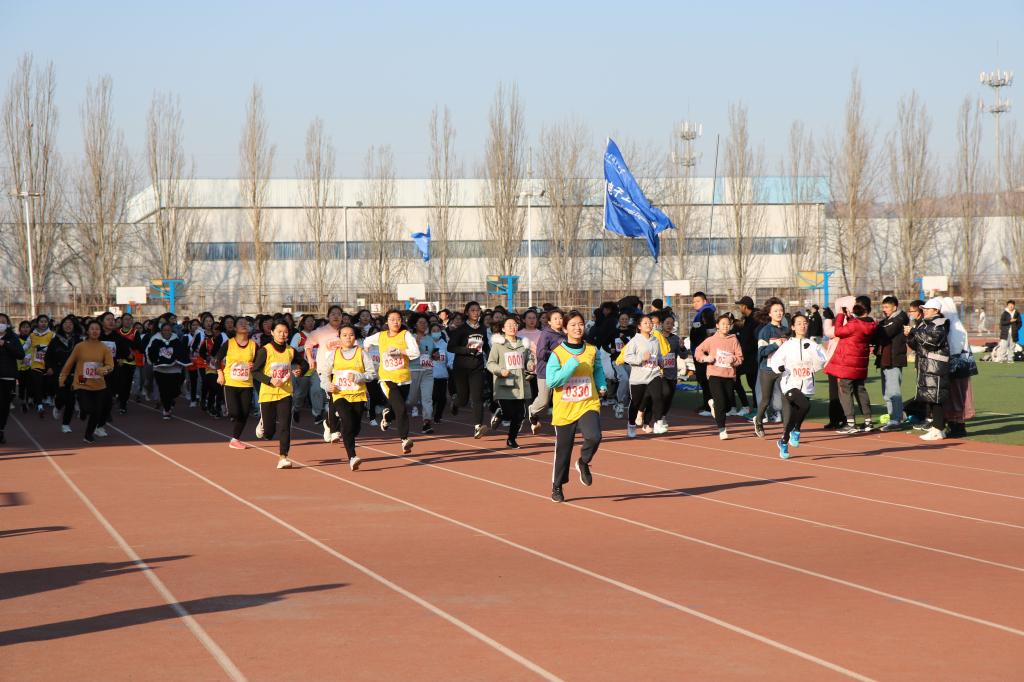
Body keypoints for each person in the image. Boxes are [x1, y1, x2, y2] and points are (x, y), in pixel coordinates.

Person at [545, 310, 607, 503]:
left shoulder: (592, 350)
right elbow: (552, 381)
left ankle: (583, 461)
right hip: (565, 407)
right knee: (563, 450)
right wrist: (570, 366)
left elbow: (598, 371)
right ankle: (557, 485)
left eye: (580, 324)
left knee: (594, 436)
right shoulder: (558, 353)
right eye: (572, 325)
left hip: (588, 402)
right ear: (565, 329)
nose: (577, 328)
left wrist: (602, 385)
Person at [768, 313, 827, 458]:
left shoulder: (813, 345)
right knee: (805, 406)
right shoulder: (787, 345)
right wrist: (779, 367)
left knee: (794, 415)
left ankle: (783, 441)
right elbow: (775, 361)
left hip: (806, 384)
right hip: (790, 384)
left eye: (805, 323)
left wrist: (812, 354)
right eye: (799, 323)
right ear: (793, 327)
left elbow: (821, 361)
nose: (802, 326)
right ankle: (796, 430)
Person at [318, 323, 375, 471]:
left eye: (351, 335)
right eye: (344, 335)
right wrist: (327, 385)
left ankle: (332, 423)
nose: (348, 338)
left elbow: (372, 374)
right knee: (348, 423)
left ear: (355, 337)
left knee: (355, 428)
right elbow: (325, 373)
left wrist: (359, 377)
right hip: (340, 394)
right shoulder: (334, 354)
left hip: (358, 395)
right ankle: (352, 457)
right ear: (339, 338)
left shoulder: (362, 353)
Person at [252, 319, 308, 468]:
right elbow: (255, 372)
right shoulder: (265, 351)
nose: (283, 335)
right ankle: (263, 423)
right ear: (272, 332)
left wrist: (300, 370)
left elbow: (304, 363)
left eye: (285, 332)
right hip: (267, 394)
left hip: (285, 393)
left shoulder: (291, 351)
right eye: (279, 332)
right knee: (269, 433)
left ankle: (283, 457)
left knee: (285, 426)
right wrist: (270, 380)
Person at [364, 310, 420, 453]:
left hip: (404, 378)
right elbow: (366, 341)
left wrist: (400, 351)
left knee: (397, 408)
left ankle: (387, 416)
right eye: (392, 319)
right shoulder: (381, 336)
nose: (395, 322)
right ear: (386, 322)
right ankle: (404, 440)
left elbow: (415, 352)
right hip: (387, 378)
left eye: (398, 319)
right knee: (401, 409)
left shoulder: (406, 335)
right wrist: (366, 352)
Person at [58, 320, 115, 443]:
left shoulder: (104, 348)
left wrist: (104, 369)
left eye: (97, 329)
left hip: (98, 383)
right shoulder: (80, 346)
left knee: (97, 411)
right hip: (82, 380)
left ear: (100, 331)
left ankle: (88, 435)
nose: (95, 331)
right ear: (88, 331)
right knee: (87, 408)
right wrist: (62, 379)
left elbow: (110, 365)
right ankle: (83, 410)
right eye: (92, 329)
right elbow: (69, 364)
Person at [825, 302, 877, 434]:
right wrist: (850, 318)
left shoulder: (854, 324)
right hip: (860, 363)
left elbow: (838, 331)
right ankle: (868, 421)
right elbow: (857, 328)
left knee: (845, 392)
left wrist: (840, 315)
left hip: (847, 363)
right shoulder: (871, 324)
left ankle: (850, 423)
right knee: (860, 390)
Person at [905, 298, 950, 441]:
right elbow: (917, 344)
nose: (924, 311)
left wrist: (914, 331)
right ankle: (937, 428)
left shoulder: (940, 323)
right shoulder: (925, 324)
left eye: (927, 309)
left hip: (935, 366)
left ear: (936, 310)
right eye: (924, 309)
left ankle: (938, 429)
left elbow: (931, 342)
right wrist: (910, 335)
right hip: (926, 365)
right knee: (931, 397)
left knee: (936, 398)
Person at [486, 317, 535, 449]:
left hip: (520, 385)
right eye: (509, 325)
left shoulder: (523, 343)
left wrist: (530, 365)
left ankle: (511, 439)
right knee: (508, 413)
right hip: (505, 384)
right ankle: (500, 413)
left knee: (520, 415)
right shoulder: (498, 345)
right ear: (503, 329)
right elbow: (490, 363)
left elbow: (528, 359)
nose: (512, 327)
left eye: (515, 325)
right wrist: (500, 371)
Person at [694, 314, 744, 440]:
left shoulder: (734, 340)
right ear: (717, 325)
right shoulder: (711, 340)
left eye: (728, 324)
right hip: (714, 375)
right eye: (723, 324)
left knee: (728, 405)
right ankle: (722, 429)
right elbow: (698, 351)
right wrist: (705, 358)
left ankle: (714, 405)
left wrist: (733, 359)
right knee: (721, 403)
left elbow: (740, 357)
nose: (726, 326)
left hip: (729, 375)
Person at [448, 301, 491, 438]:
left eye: (478, 310)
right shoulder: (461, 329)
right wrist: (467, 350)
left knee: (477, 397)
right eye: (473, 310)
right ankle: (455, 403)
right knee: (463, 399)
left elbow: (485, 346)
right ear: (467, 312)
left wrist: (490, 356)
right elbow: (451, 347)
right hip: (461, 368)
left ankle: (478, 426)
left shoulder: (483, 328)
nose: (476, 312)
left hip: (477, 367)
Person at [216, 318, 258, 449]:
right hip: (231, 382)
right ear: (235, 328)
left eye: (246, 324)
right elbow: (217, 359)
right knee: (235, 412)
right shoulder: (229, 343)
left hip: (247, 384)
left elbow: (260, 362)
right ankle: (228, 410)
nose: (244, 325)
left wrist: (254, 365)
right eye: (241, 323)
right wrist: (220, 374)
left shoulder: (253, 345)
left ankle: (235, 439)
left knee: (244, 413)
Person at [622, 315, 667, 437]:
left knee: (658, 396)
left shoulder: (655, 340)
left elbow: (658, 355)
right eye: (646, 323)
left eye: (650, 323)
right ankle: (631, 425)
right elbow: (627, 357)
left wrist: (661, 361)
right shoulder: (634, 341)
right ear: (639, 326)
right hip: (638, 378)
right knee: (636, 403)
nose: (649, 325)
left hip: (654, 373)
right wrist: (642, 358)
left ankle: (658, 422)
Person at [873, 296, 909, 431]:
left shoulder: (899, 318)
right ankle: (893, 417)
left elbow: (886, 332)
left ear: (895, 307)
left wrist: (878, 329)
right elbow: (876, 334)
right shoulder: (886, 321)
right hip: (885, 359)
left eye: (887, 307)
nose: (884, 309)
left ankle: (896, 419)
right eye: (883, 307)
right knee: (887, 393)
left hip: (894, 359)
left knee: (894, 392)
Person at [941, 298, 975, 438]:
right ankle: (954, 425)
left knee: (956, 396)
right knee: (956, 396)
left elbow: (954, 348)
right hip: (961, 365)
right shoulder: (955, 324)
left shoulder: (954, 326)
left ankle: (958, 427)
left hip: (956, 366)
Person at [753, 301, 787, 438]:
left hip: (783, 370)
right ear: (770, 314)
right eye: (775, 311)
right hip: (767, 370)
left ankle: (787, 430)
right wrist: (776, 344)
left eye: (781, 310)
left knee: (784, 400)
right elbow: (761, 352)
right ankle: (758, 421)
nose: (779, 313)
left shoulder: (786, 330)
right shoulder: (765, 331)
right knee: (765, 400)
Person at [146, 322, 190, 419]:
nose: (166, 332)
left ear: (171, 331)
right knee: (164, 390)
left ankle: (170, 400)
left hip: (174, 370)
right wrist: (153, 361)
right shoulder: (155, 340)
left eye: (168, 330)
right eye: (164, 330)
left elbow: (181, 352)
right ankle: (166, 410)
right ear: (161, 331)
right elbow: (149, 351)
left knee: (175, 390)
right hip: (160, 370)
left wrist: (180, 361)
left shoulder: (176, 340)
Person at [45, 315, 80, 432]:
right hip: (58, 373)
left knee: (71, 400)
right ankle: (58, 405)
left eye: (70, 323)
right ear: (61, 326)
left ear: (74, 326)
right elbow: (48, 357)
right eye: (65, 323)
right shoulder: (55, 340)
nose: (68, 325)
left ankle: (66, 424)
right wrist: (49, 367)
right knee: (61, 397)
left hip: (73, 373)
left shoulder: (78, 340)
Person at [407, 315, 438, 434]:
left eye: (425, 323)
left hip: (427, 371)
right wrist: (415, 344)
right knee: (411, 400)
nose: (424, 325)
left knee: (427, 398)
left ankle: (427, 422)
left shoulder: (430, 339)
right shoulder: (410, 338)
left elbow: (435, 354)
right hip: (413, 370)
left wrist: (435, 355)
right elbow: (406, 354)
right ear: (415, 325)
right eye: (421, 323)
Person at [0, 313, 26, 443]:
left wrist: (5, 344)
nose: (0, 324)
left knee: (4, 406)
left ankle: (1, 430)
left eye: (3, 321)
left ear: (8, 324)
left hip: (8, 376)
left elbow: (21, 354)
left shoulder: (13, 337)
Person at [689, 292, 716, 415]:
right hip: (699, 351)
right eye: (693, 301)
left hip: (703, 353)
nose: (695, 304)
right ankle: (707, 404)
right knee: (704, 380)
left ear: (705, 301)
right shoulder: (701, 313)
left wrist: (704, 350)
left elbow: (709, 332)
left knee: (706, 380)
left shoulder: (706, 312)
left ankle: (709, 407)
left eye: (698, 301)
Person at [26, 314, 55, 418]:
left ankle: (47, 398)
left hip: (48, 365)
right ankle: (39, 405)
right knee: (37, 385)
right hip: (36, 364)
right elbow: (25, 346)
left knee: (46, 385)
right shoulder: (32, 335)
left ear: (48, 323)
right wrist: (22, 354)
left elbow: (55, 348)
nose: (43, 323)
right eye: (41, 321)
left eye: (45, 322)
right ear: (37, 323)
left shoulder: (52, 335)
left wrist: (44, 348)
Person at [733, 296, 758, 417]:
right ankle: (753, 408)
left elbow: (751, 340)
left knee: (752, 383)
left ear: (744, 306)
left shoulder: (755, 320)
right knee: (751, 383)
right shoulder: (747, 319)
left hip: (752, 358)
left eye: (740, 306)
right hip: (747, 357)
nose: (739, 308)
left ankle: (752, 408)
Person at [429, 322, 450, 425]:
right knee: (433, 397)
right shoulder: (426, 344)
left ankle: (438, 417)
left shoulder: (445, 345)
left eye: (438, 331)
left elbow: (449, 359)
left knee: (442, 398)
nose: (436, 333)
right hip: (430, 376)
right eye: (434, 331)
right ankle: (428, 416)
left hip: (442, 375)